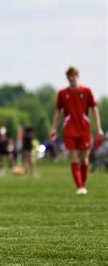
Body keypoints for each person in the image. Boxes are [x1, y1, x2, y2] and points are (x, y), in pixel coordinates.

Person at [50, 66, 103, 194]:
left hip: (84, 128)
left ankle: (83, 185)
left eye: (74, 75)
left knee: (84, 158)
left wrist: (99, 128)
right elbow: (58, 111)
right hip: (69, 129)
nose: (72, 78)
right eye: (70, 75)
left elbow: (94, 109)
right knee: (74, 157)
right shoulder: (62, 93)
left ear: (77, 76)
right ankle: (79, 187)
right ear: (67, 77)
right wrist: (53, 128)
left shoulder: (87, 91)